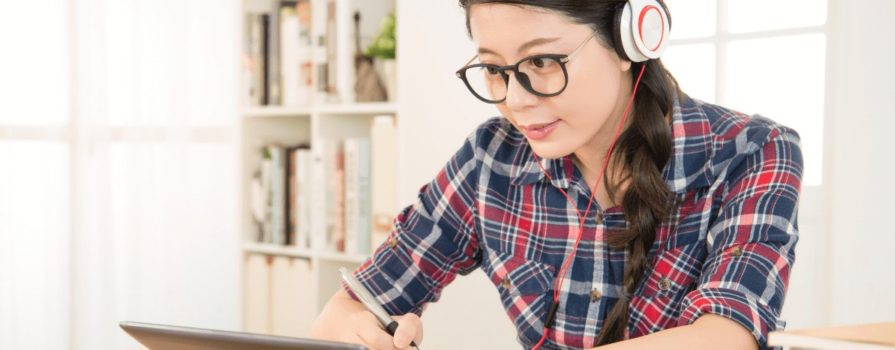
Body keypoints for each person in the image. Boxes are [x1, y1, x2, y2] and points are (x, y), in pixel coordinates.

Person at [311, 1, 803, 349]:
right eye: (493, 69)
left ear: (632, 38)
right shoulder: (491, 160)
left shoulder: (753, 152)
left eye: (542, 61)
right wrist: (365, 335)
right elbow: (345, 311)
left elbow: (726, 335)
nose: (516, 99)